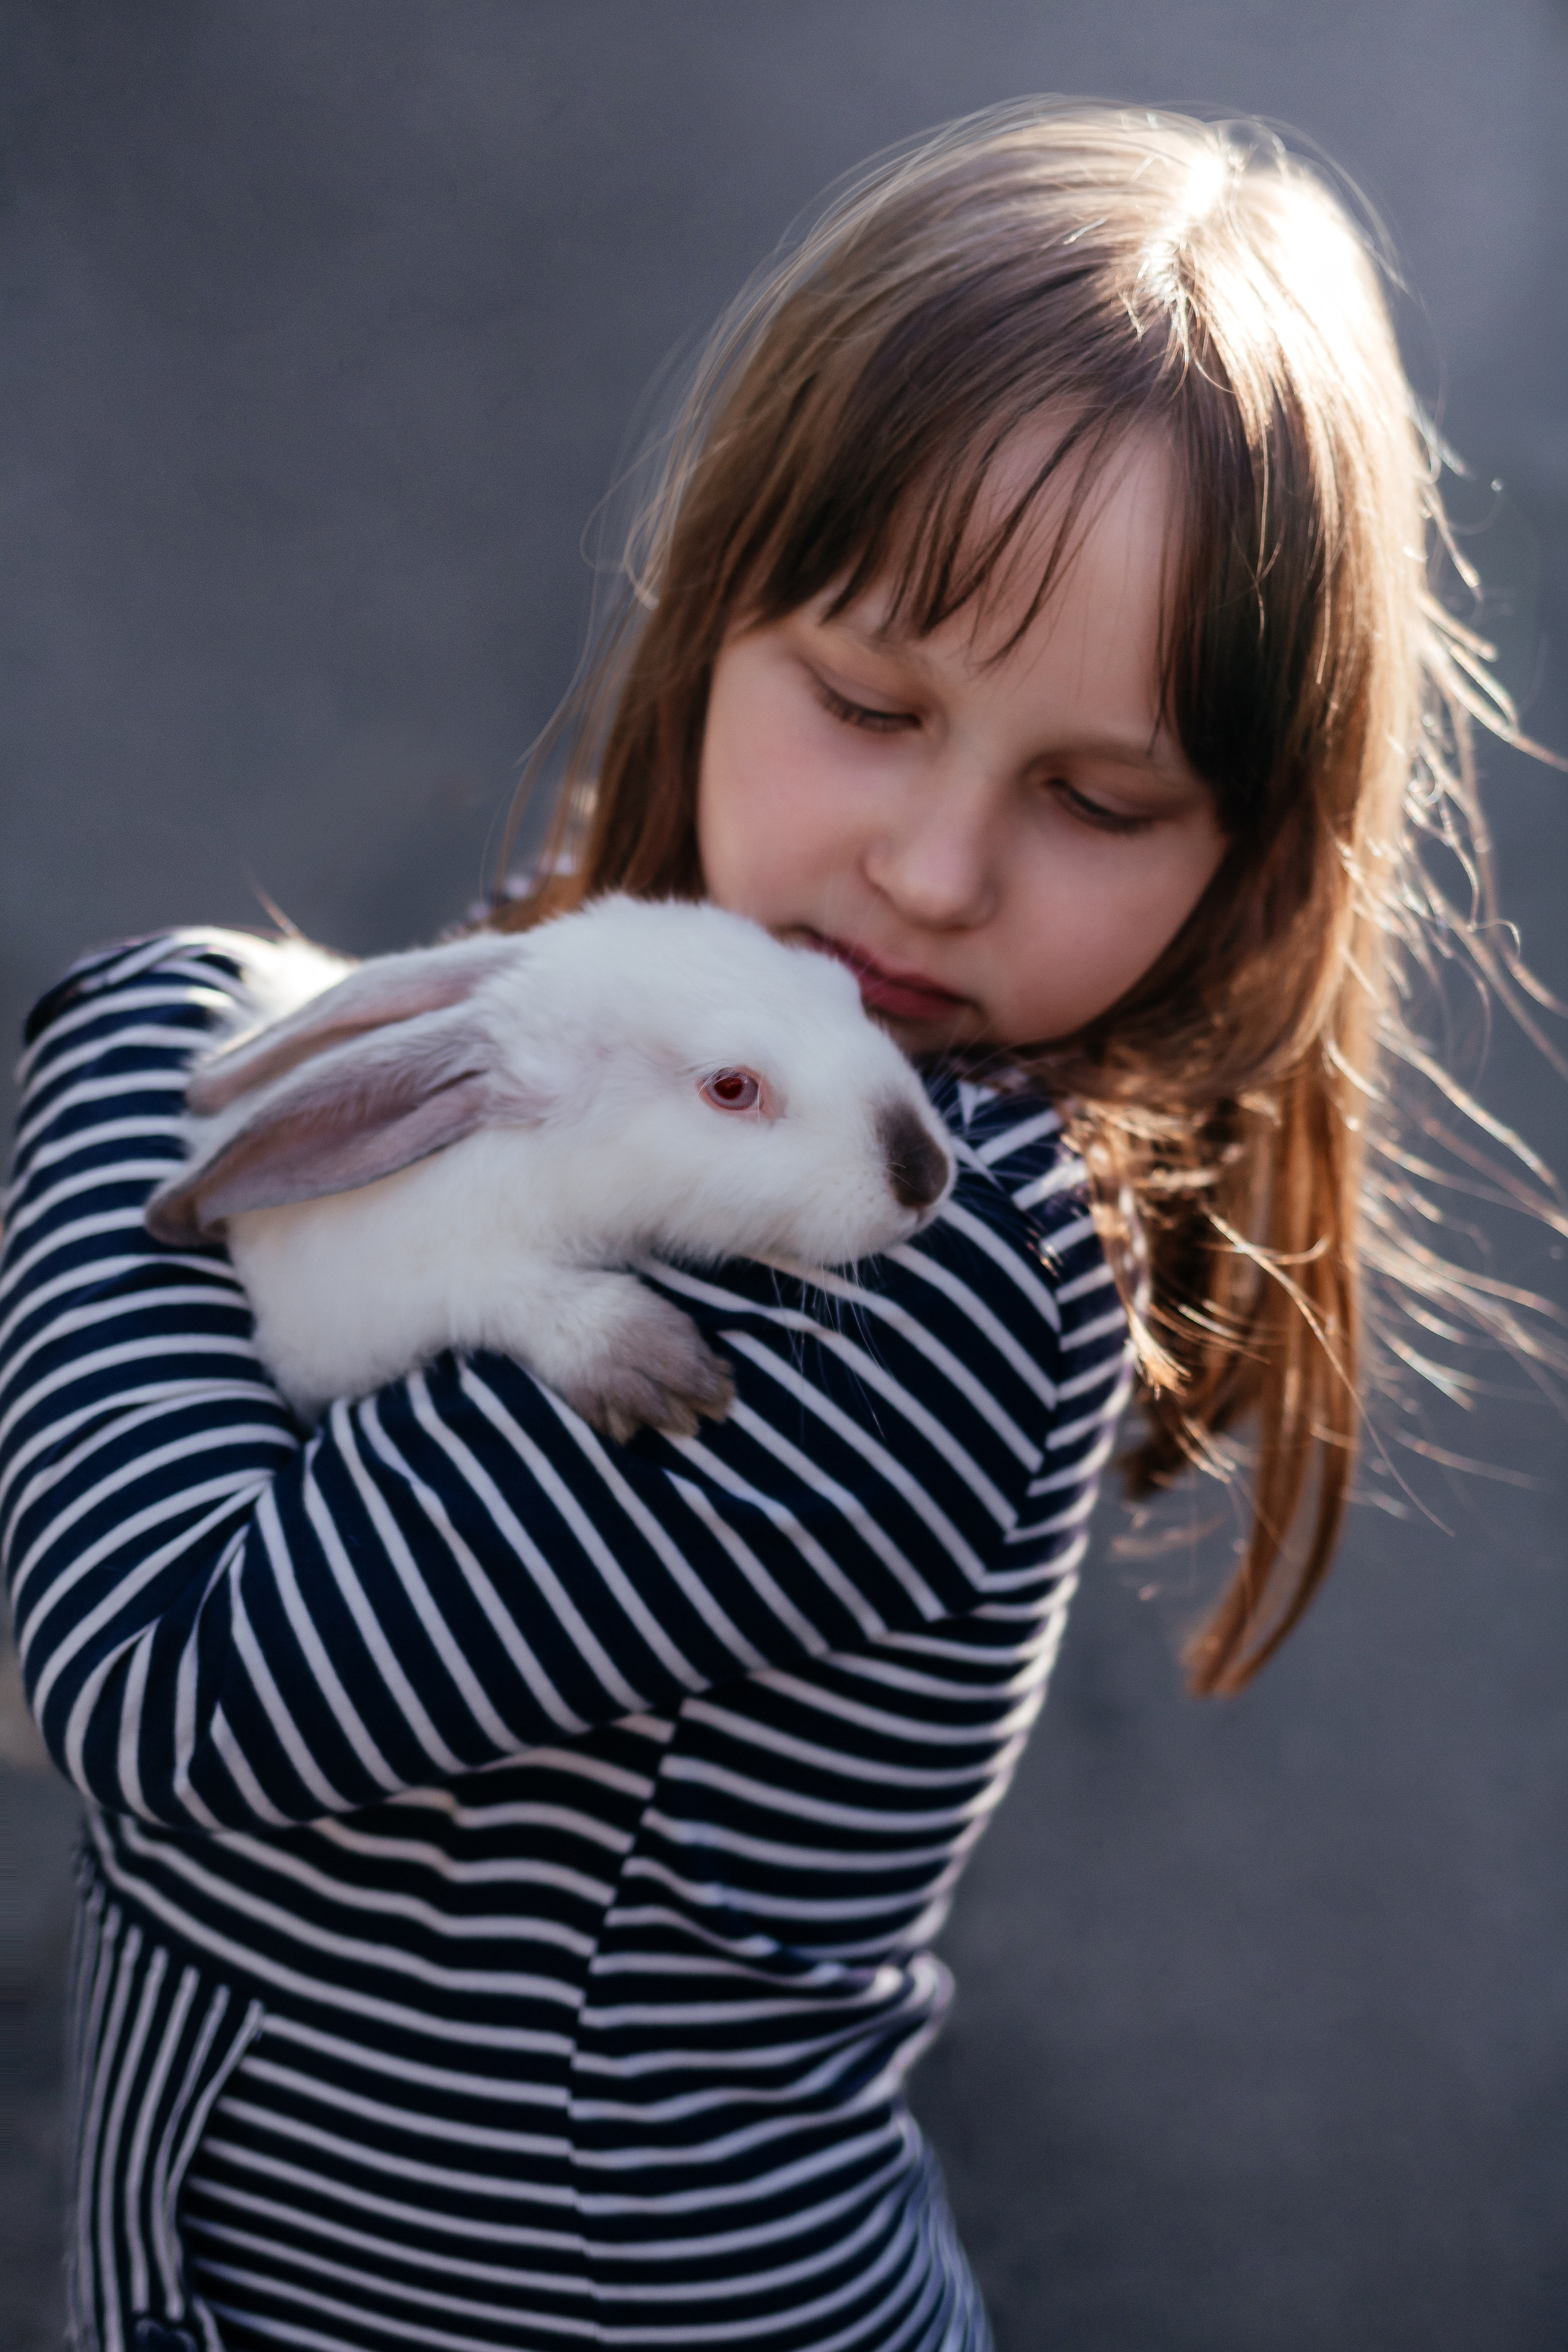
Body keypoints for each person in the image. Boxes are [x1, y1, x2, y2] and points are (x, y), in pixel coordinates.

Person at [1, 100, 1551, 2352]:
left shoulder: (921, 1250)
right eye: (866, 705)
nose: (931, 870)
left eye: (1096, 797)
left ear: (1248, 855)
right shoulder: (641, 1006)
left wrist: (144, 1044)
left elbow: (169, 1677)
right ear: (714, 608)